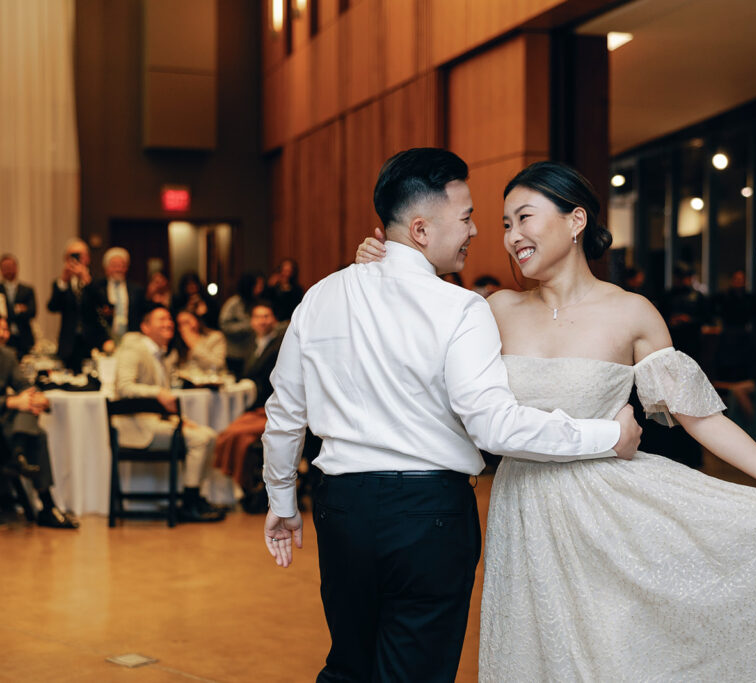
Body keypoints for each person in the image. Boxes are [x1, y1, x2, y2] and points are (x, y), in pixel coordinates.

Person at [355, 160, 756, 681]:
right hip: (525, 514)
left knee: (617, 659)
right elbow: (415, 354)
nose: (509, 236)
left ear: (576, 220)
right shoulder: (492, 309)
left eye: (523, 217)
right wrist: (383, 266)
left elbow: (702, 419)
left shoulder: (632, 312)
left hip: (614, 519)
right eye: (503, 224)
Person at [262, 148, 642, 683]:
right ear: (421, 229)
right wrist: (609, 434)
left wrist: (281, 499)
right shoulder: (460, 309)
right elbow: (494, 425)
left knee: (349, 664)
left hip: (341, 507)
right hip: (428, 514)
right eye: (466, 218)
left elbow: (283, 414)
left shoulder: (320, 297)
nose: (476, 230)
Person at [0, 303, 78, 528]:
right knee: (33, 428)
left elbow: (24, 386)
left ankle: (18, 455)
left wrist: (38, 398)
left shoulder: (6, 355)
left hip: (0, 428)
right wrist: (12, 402)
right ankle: (46, 503)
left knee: (30, 413)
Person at [112, 304, 225, 523]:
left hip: (155, 422)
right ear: (145, 327)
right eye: (161, 320)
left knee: (209, 435)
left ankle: (194, 497)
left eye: (169, 320)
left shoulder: (159, 354)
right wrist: (159, 392)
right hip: (136, 427)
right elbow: (124, 388)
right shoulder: (134, 349)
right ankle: (189, 504)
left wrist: (180, 420)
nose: (169, 324)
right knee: (200, 439)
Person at [213, 300, 285, 501]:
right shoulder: (252, 345)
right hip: (256, 406)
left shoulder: (279, 346)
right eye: (257, 317)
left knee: (231, 433)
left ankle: (239, 484)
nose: (262, 321)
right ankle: (243, 488)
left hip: (271, 408)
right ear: (251, 322)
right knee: (241, 439)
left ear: (274, 320)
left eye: (266, 316)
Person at [47, 239, 94, 372]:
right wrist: (63, 282)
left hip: (91, 344)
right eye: (72, 256)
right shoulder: (61, 283)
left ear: (87, 258)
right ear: (65, 259)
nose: (76, 259)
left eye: (79, 256)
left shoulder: (96, 282)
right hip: (68, 344)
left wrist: (87, 281)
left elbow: (100, 305)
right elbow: (52, 307)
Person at [87, 247, 142, 353]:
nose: (118, 269)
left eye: (122, 265)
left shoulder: (136, 289)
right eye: (114, 266)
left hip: (131, 341)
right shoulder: (97, 288)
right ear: (106, 268)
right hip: (104, 342)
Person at [220, 272, 264, 376]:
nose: (260, 289)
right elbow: (224, 325)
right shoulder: (234, 303)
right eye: (258, 285)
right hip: (234, 353)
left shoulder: (257, 302)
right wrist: (248, 326)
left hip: (252, 351)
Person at [0, 254, 37, 356]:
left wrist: (10, 312)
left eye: (10, 266)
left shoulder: (27, 290)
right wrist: (17, 310)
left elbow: (32, 312)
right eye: (5, 267)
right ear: (0, 270)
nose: (8, 270)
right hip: (3, 337)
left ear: (16, 268)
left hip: (24, 337)